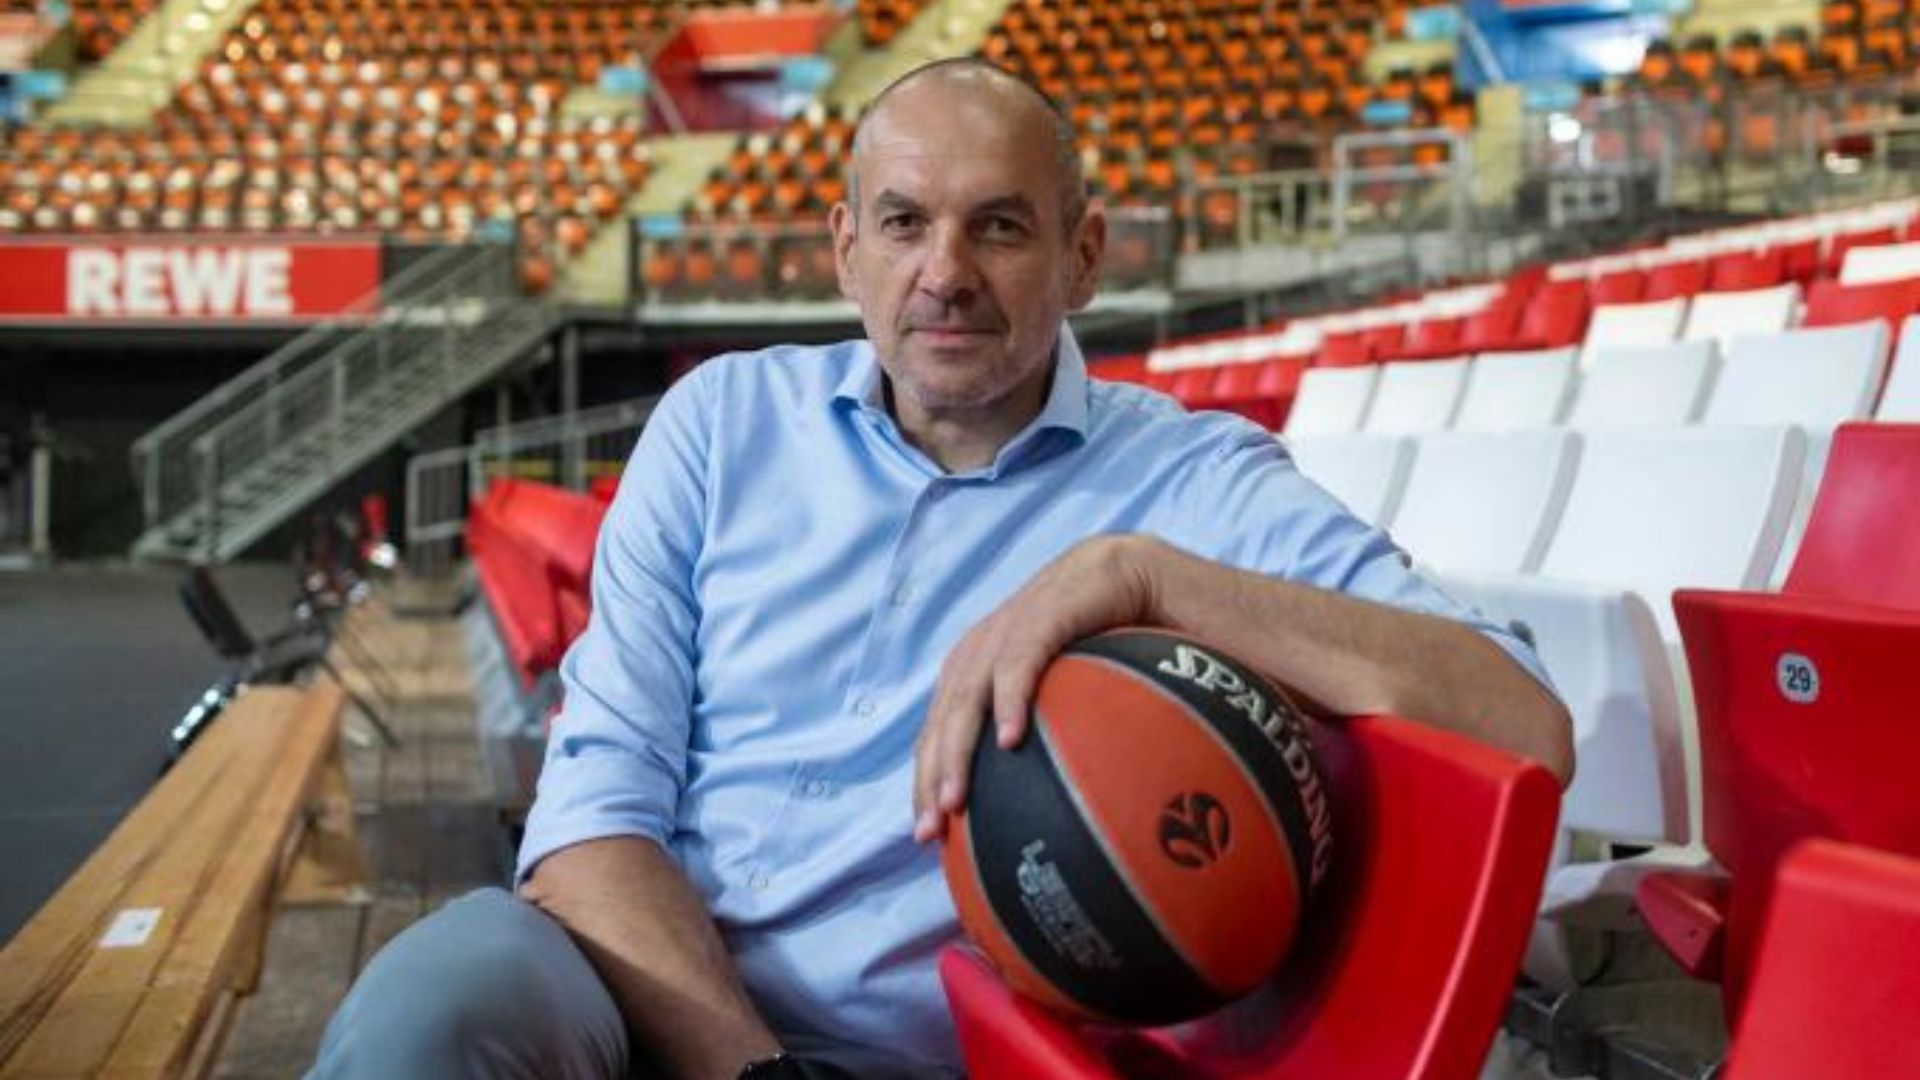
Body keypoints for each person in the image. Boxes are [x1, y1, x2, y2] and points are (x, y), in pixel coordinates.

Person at [310, 58, 1571, 1080]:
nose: (946, 275)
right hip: (629, 982)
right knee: (433, 1007)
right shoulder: (719, 425)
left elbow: (1523, 719)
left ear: (1085, 255)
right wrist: (753, 1072)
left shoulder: (1193, 484)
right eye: (905, 224)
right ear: (846, 247)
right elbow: (591, 819)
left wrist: (1149, 580)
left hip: (937, 1053)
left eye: (1000, 227)